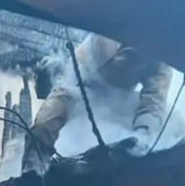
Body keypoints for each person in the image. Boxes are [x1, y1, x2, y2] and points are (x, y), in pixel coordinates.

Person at [23, 33, 174, 174]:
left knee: (104, 156)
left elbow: (154, 99)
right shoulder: (111, 18)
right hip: (72, 84)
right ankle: (30, 175)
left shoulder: (160, 54)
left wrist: (143, 134)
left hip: (111, 103)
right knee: (44, 124)